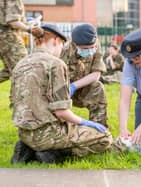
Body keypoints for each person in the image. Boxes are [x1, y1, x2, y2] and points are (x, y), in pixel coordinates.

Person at [10, 24, 112, 164]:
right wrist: (85, 123)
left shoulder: (20, 64)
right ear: (56, 41)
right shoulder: (55, 63)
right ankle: (56, 154)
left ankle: (28, 148)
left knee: (96, 88)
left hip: (23, 133)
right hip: (48, 134)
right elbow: (61, 112)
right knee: (105, 138)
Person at [60, 23, 108, 126]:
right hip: (63, 89)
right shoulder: (64, 50)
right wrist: (68, 88)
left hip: (81, 88)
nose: (90, 51)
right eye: (86, 49)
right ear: (75, 45)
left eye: (92, 47)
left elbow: (96, 74)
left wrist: (74, 86)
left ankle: (99, 129)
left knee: (97, 87)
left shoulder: (95, 43)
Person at [0, 0, 40, 83]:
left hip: (4, 37)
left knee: (9, 70)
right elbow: (13, 21)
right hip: (8, 37)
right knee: (23, 68)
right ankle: (21, 95)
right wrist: (29, 29)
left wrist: (26, 24)